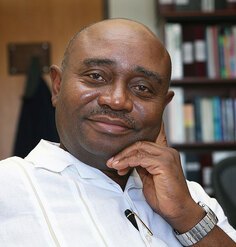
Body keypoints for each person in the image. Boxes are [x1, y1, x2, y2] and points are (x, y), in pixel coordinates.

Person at [0, 18, 235, 247]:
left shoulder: (191, 198)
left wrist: (186, 215)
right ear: (58, 86)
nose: (117, 100)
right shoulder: (8, 186)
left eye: (142, 88)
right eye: (96, 76)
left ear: (163, 105)